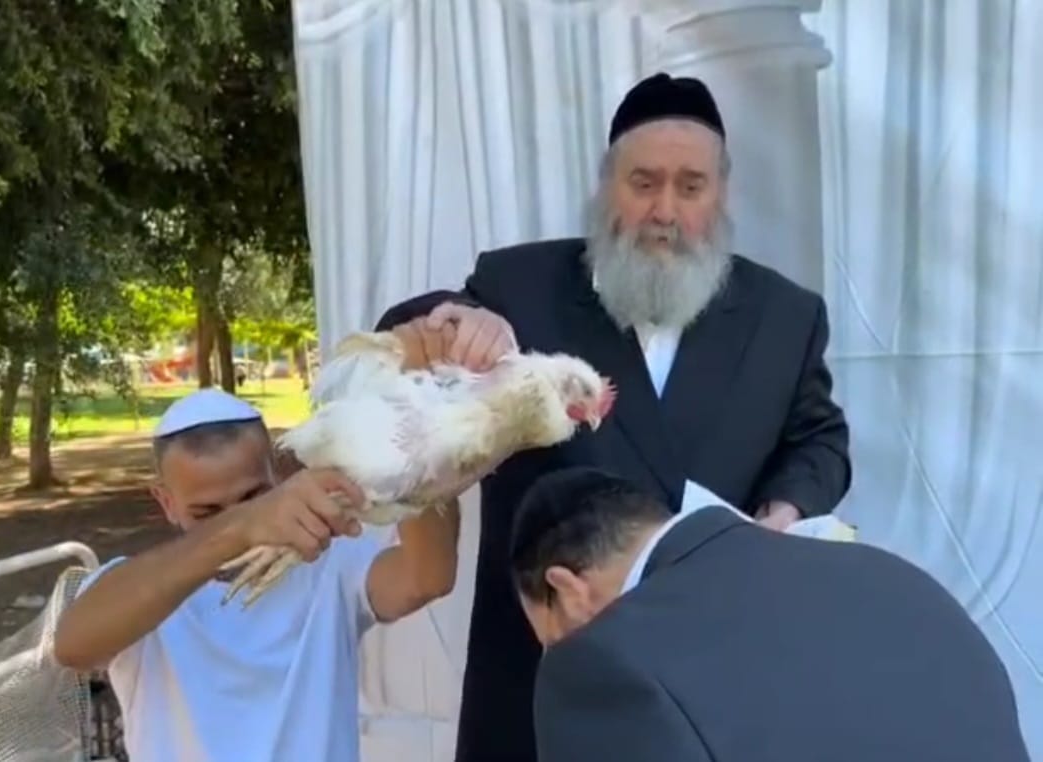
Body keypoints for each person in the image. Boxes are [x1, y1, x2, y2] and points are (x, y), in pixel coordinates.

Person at [376, 72, 851, 761]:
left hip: (707, 675)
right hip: (539, 676)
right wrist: (462, 322)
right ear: (608, 187)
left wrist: (782, 514)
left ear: (721, 193)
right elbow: (408, 327)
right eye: (643, 183)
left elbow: (819, 440)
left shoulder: (785, 315)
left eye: (691, 186)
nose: (665, 210)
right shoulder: (521, 287)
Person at [511, 466, 1031, 762]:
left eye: (549, 637)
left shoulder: (603, 663)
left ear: (566, 589)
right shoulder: (896, 577)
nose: (558, 651)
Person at [53, 388, 460, 762]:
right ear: (166, 501)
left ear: (277, 477)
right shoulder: (139, 592)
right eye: (207, 513)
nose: (243, 520)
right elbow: (71, 647)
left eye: (253, 497)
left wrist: (412, 458)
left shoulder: (331, 566)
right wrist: (241, 527)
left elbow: (427, 578)